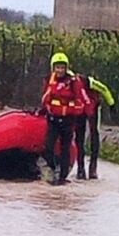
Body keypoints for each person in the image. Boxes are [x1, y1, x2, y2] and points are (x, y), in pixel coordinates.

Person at [40, 52, 91, 185]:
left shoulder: (74, 82)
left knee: (65, 148)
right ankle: (52, 167)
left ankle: (61, 176)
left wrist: (81, 112)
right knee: (48, 146)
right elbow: (45, 98)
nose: (60, 70)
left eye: (62, 68)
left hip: (68, 120)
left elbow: (82, 99)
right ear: (53, 68)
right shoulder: (49, 80)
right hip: (53, 119)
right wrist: (44, 109)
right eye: (57, 67)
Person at [70, 72, 116, 180]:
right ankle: (80, 170)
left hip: (93, 108)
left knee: (94, 134)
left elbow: (103, 89)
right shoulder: (68, 83)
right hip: (79, 109)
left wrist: (111, 104)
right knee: (79, 138)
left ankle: (93, 168)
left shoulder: (88, 81)